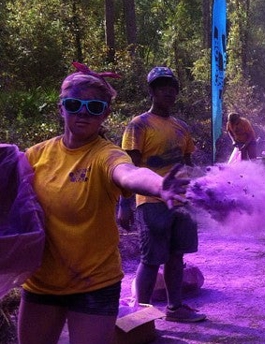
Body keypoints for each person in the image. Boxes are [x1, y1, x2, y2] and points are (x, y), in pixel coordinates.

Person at [18, 62, 192, 344]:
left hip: (94, 284)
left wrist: (160, 185)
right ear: (61, 107)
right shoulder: (36, 155)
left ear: (105, 115)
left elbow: (129, 173)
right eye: (74, 104)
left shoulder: (106, 155)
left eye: (95, 107)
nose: (83, 113)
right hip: (41, 283)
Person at [119, 66, 206, 323]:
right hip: (151, 202)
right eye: (161, 87)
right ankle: (140, 317)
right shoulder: (138, 125)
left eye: (171, 87)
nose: (167, 91)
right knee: (151, 259)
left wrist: (200, 191)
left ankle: (174, 308)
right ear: (152, 92)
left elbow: (187, 163)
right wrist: (124, 204)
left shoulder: (181, 127)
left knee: (176, 256)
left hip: (180, 202)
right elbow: (128, 167)